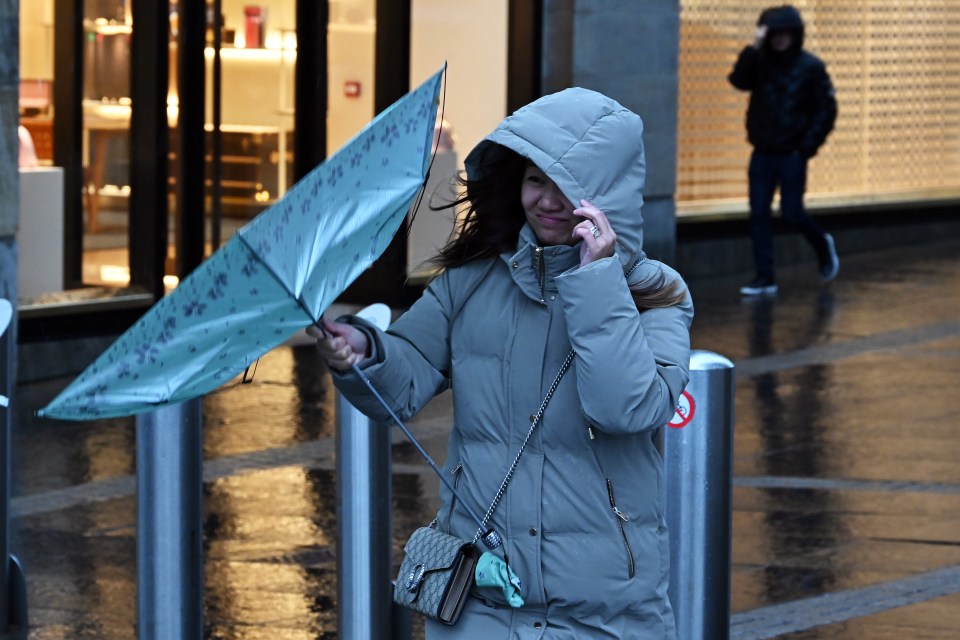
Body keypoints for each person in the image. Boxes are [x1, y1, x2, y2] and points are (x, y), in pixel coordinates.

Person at [308, 88, 693, 638]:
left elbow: (626, 408)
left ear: (606, 194)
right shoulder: (471, 281)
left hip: (603, 613)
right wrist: (364, 352)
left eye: (569, 185)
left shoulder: (655, 293)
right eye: (536, 180)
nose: (548, 201)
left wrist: (596, 281)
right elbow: (408, 371)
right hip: (479, 598)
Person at [729, 4, 839, 296]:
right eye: (774, 34)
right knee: (759, 215)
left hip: (791, 154)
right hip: (762, 152)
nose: (779, 40)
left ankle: (822, 244)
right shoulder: (759, 63)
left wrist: (806, 148)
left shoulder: (811, 67)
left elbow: (825, 111)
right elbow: (738, 80)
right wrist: (755, 44)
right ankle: (765, 278)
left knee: (792, 213)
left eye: (785, 34)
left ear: (795, 35)